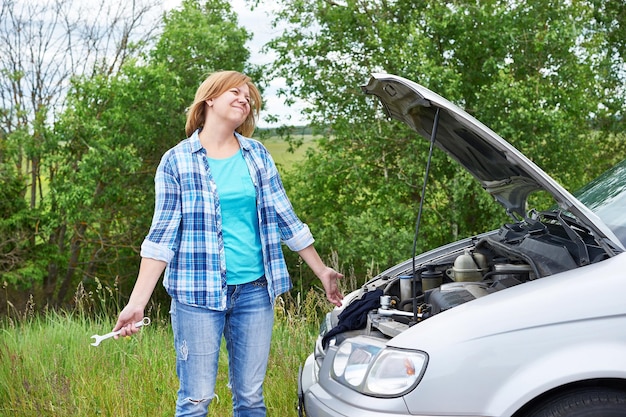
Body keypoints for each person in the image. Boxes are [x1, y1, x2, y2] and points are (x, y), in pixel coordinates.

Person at [113, 70, 343, 417]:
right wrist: (137, 302)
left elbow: (286, 218)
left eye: (248, 97)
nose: (244, 99)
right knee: (196, 399)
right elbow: (161, 238)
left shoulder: (256, 155)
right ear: (210, 99)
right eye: (235, 92)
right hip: (197, 297)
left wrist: (321, 269)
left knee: (250, 397)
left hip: (254, 293)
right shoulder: (177, 161)